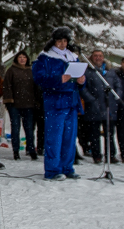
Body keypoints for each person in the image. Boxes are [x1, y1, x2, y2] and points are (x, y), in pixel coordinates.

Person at [33, 27, 86, 180]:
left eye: (65, 41)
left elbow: (78, 77)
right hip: (55, 101)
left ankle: (67, 167)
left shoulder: (73, 56)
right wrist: (58, 79)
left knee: (69, 138)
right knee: (54, 138)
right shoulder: (45, 57)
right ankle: (52, 170)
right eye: (59, 41)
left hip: (72, 101)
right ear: (54, 41)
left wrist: (82, 81)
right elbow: (38, 78)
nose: (63, 44)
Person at [79, 49, 120, 164]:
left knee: (110, 134)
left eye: (100, 56)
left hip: (108, 107)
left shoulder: (110, 71)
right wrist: (91, 100)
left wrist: (115, 98)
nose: (98, 58)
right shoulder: (88, 71)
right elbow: (83, 88)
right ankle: (96, 155)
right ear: (92, 57)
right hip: (94, 107)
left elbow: (118, 85)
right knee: (94, 134)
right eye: (95, 55)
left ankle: (111, 155)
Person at [2, 51, 36, 160]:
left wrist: (36, 102)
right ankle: (15, 151)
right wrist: (9, 101)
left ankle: (31, 150)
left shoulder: (31, 71)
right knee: (15, 128)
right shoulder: (11, 71)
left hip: (29, 105)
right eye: (20, 57)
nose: (22, 59)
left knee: (29, 129)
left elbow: (35, 88)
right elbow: (6, 86)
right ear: (17, 59)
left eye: (24, 57)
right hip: (15, 105)